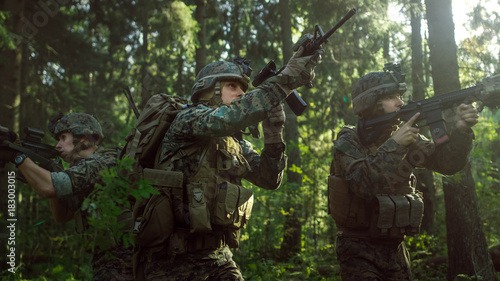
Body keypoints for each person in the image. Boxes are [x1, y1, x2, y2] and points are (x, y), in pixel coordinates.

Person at [137, 46, 321, 280]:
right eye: (232, 86)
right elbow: (234, 116)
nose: (241, 93)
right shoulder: (188, 119)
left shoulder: (234, 143)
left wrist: (274, 133)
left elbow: (269, 179)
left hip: (218, 256)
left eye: (243, 88)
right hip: (172, 259)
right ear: (208, 89)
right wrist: (288, 77)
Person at [328, 64, 479, 281]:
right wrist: (395, 144)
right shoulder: (349, 140)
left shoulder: (405, 135)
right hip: (357, 249)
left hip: (396, 249)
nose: (400, 101)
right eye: (392, 97)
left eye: (400, 96)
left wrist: (461, 130)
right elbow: (363, 185)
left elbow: (447, 164)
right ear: (371, 102)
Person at [1, 113, 134, 281]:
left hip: (125, 265)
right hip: (109, 265)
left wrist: (17, 156)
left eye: (63, 138)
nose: (57, 145)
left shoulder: (103, 162)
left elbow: (49, 187)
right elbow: (62, 215)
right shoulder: (86, 170)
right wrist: (51, 169)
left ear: (83, 139)